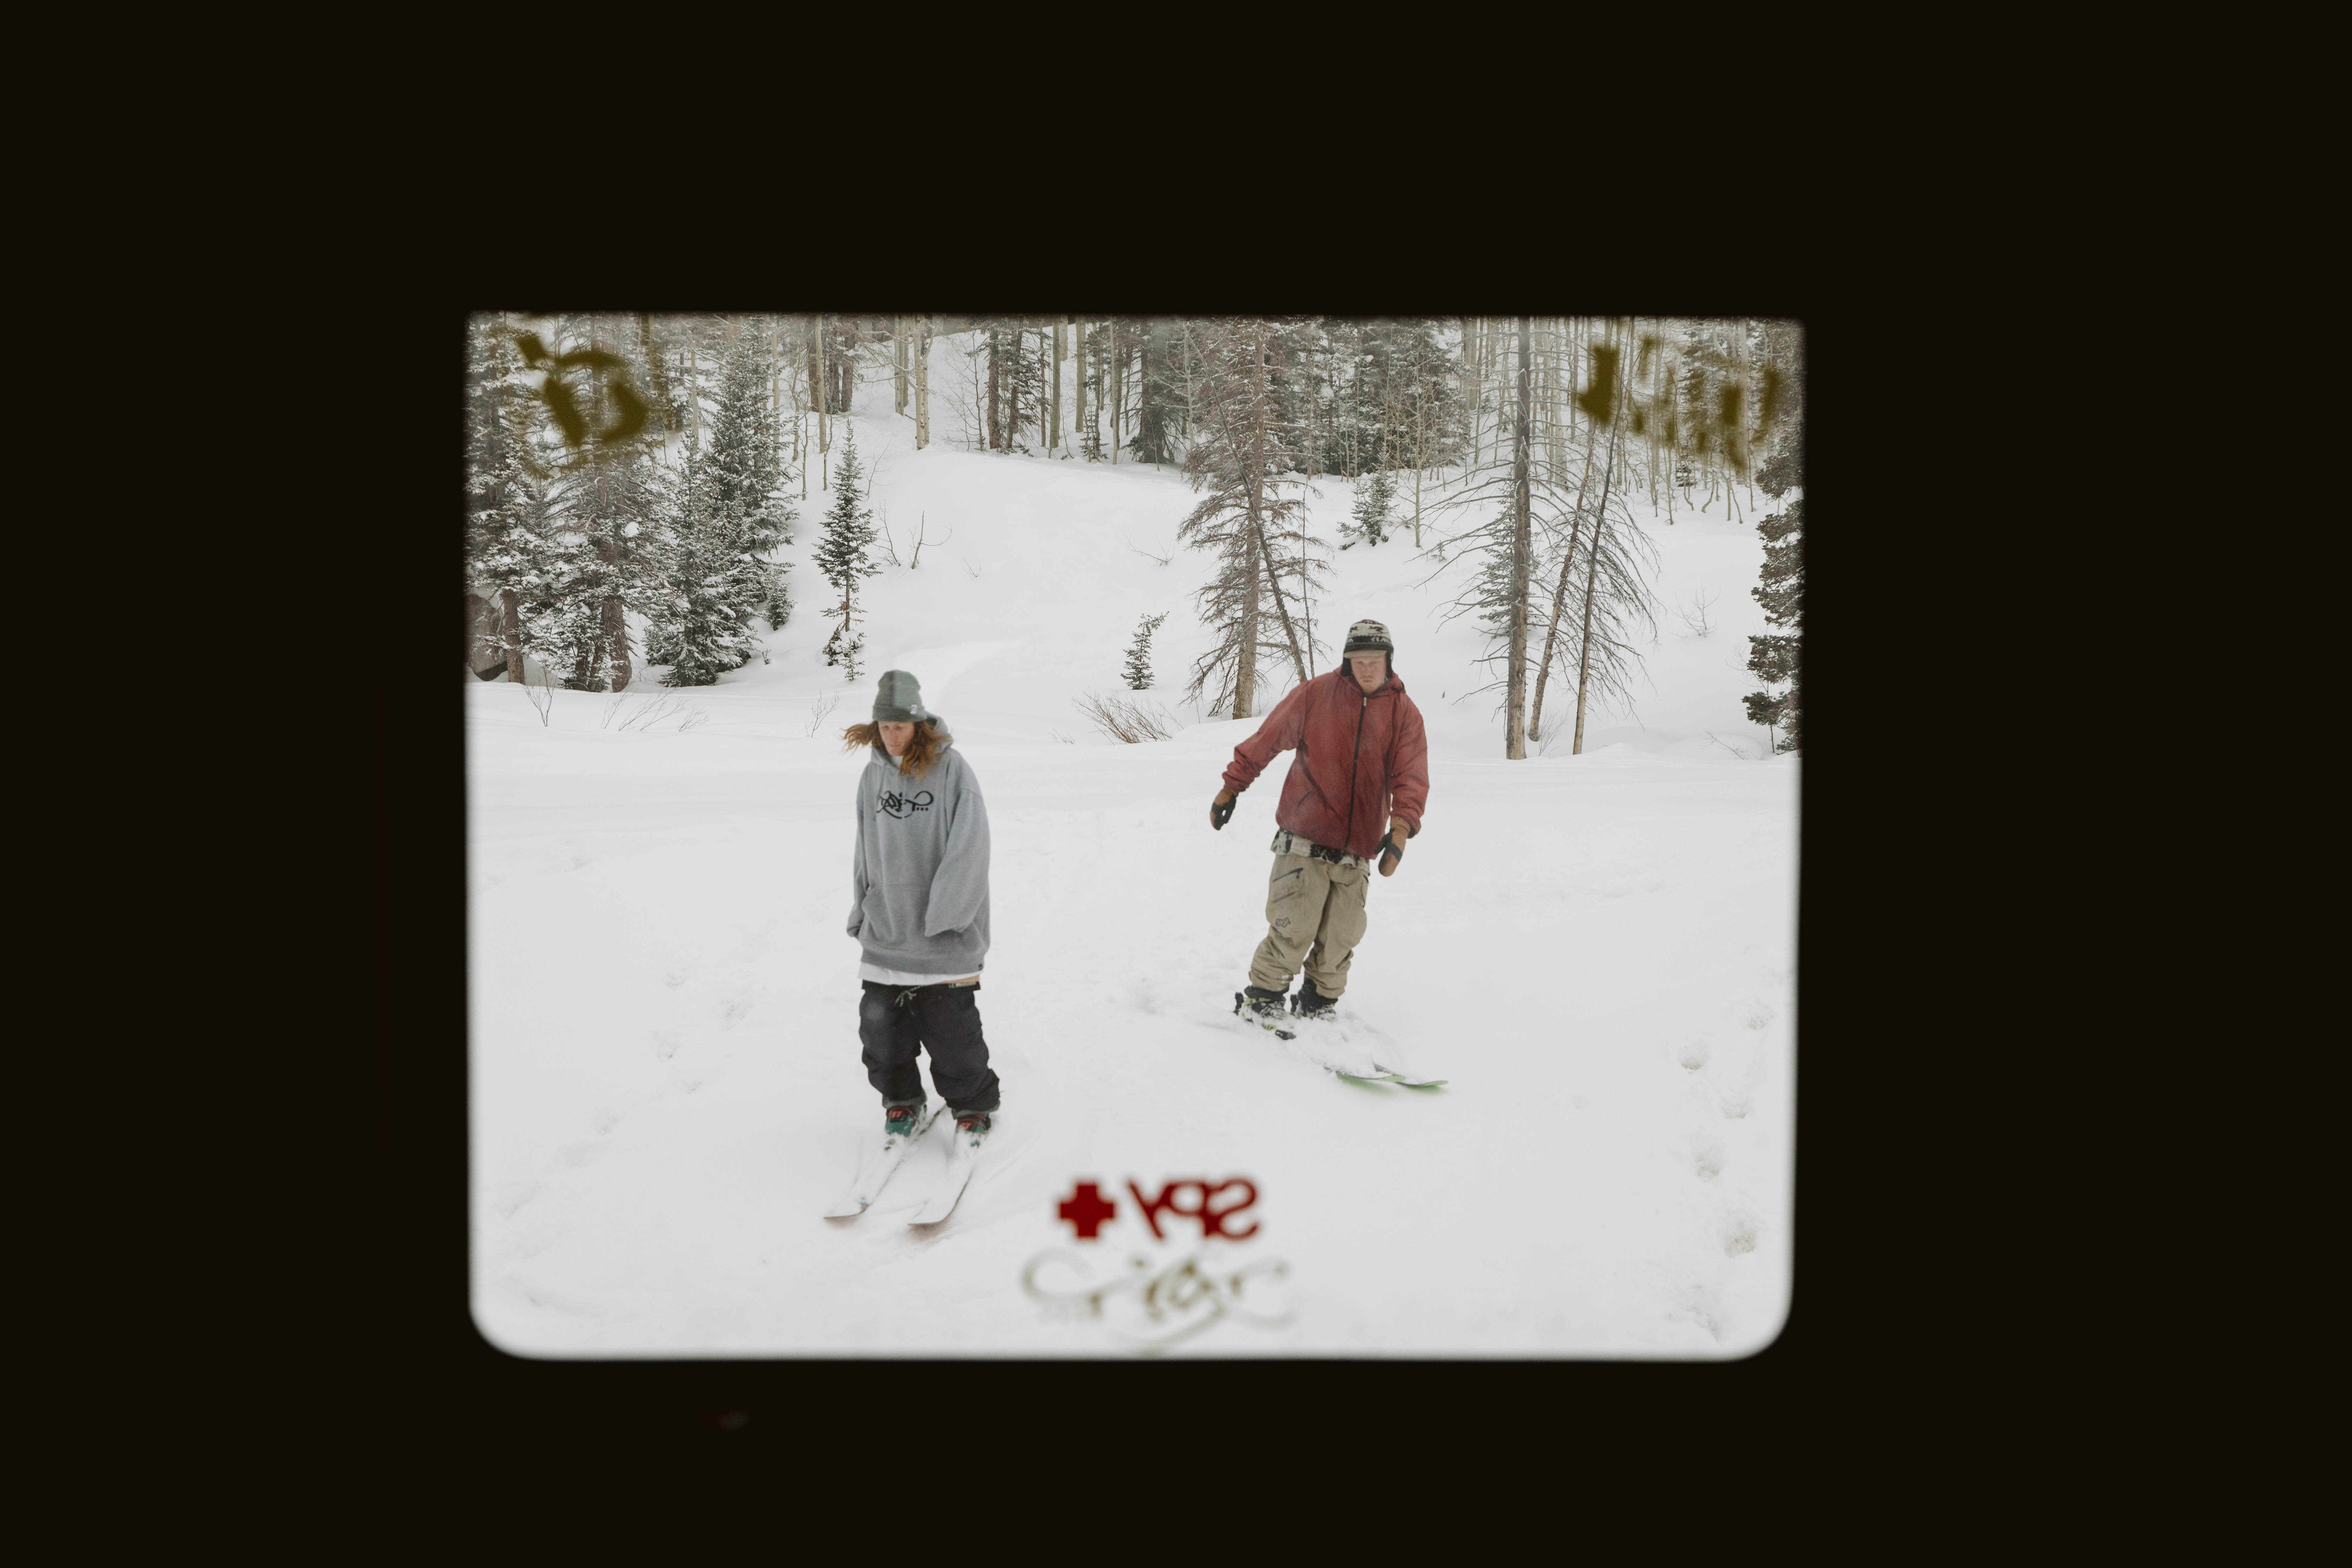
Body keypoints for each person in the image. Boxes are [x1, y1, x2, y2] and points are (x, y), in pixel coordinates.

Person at [1210, 618, 1429, 1023]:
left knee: (1342, 937)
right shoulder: (1317, 694)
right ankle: (1263, 999)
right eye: (1357, 660)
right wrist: (1232, 786)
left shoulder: (1404, 714)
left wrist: (1401, 830)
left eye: (1374, 660)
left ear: (1388, 660)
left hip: (1359, 846)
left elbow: (1411, 776)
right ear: (1347, 662)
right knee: (1294, 925)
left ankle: (1318, 1006)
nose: (1366, 668)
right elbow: (1268, 738)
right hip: (1304, 834)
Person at [844, 670, 1001, 1141]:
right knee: (879, 1029)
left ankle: (972, 1105)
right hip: (888, 930)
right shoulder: (871, 776)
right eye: (885, 727)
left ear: (919, 725)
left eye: (900, 726)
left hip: (943, 936)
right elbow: (865, 848)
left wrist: (948, 916)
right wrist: (862, 907)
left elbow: (971, 847)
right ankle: (902, 1101)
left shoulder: (954, 771)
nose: (892, 735)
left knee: (951, 1033)